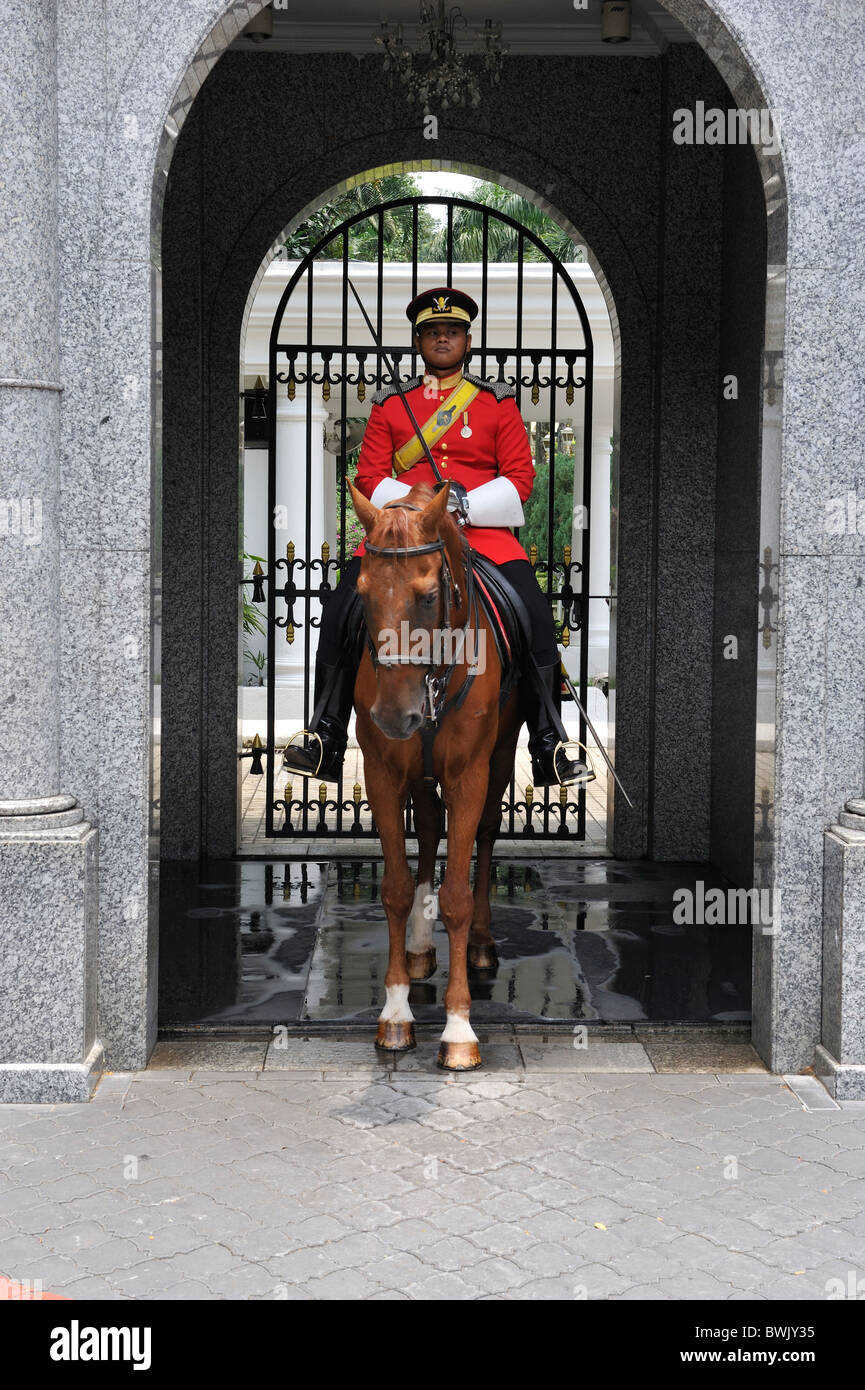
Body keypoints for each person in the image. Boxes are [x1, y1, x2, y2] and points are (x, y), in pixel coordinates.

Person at [283, 286, 589, 788]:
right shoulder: (391, 405)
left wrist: (460, 506)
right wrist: (417, 509)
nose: (442, 338)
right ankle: (326, 732)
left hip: (483, 535)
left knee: (533, 610)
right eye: (432, 331)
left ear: (467, 340)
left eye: (451, 331)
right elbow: (368, 477)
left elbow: (520, 478)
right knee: (341, 608)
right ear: (419, 340)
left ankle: (549, 741)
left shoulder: (496, 403)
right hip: (402, 536)